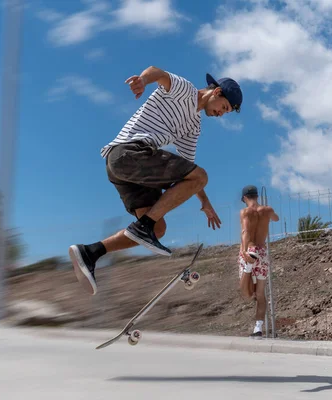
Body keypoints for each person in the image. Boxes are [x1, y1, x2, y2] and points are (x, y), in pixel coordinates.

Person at [68, 65, 243, 295]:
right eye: (224, 108)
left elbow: (187, 169)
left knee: (158, 228)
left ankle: (91, 253)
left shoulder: (194, 127)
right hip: (129, 153)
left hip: (127, 170)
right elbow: (157, 73)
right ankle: (144, 227)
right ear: (217, 92)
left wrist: (205, 202)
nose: (222, 114)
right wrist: (142, 80)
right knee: (199, 178)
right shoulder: (185, 90)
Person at [237, 185, 279, 337]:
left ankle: (248, 268)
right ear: (257, 196)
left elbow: (245, 231)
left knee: (247, 294)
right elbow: (276, 218)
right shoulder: (267, 210)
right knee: (260, 294)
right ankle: (258, 328)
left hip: (249, 249)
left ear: (244, 198)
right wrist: (268, 212)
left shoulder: (245, 212)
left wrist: (243, 251)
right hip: (261, 252)